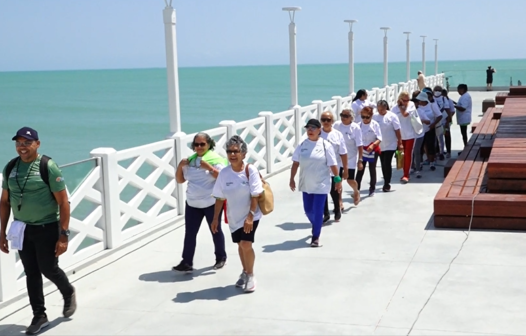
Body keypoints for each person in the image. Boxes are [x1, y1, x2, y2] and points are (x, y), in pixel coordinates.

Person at [0, 127, 76, 335]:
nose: (22, 147)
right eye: (18, 143)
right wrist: (2, 232)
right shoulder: (10, 168)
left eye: (27, 142)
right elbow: (5, 202)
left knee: (48, 268)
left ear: (37, 144)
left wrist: (63, 235)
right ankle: (39, 315)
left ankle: (68, 291)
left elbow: (63, 202)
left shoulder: (48, 166)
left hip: (47, 227)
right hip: (22, 228)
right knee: (31, 272)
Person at [211, 135, 263, 293]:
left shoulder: (250, 170)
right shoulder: (224, 173)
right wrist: (215, 219)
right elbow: (219, 197)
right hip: (234, 216)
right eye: (229, 152)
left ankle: (252, 276)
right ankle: (245, 272)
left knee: (246, 244)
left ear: (244, 154)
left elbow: (256, 194)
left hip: (251, 215)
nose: (232, 155)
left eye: (236, 151)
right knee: (240, 245)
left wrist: (250, 216)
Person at [173, 132, 227, 273]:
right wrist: (180, 166)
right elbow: (180, 180)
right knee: (190, 233)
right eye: (196, 144)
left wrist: (209, 168)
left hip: (211, 203)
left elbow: (223, 179)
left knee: (215, 230)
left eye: (202, 144)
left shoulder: (216, 160)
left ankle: (221, 258)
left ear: (209, 145)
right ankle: (187, 262)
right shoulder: (190, 161)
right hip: (192, 204)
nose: (199, 147)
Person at [290, 119, 341, 247]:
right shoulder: (302, 145)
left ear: (319, 130)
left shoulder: (325, 145)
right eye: (308, 128)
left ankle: (316, 236)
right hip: (306, 183)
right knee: (308, 210)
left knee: (318, 211)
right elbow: (295, 163)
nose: (310, 130)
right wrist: (291, 179)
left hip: (321, 184)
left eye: (313, 128)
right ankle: (316, 224)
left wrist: (337, 180)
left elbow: (333, 164)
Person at [319, 111, 348, 222]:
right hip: (321, 168)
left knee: (334, 190)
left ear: (332, 121)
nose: (326, 122)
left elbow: (343, 153)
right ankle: (325, 213)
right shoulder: (318, 133)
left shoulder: (337, 134)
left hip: (335, 167)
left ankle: (337, 210)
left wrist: (345, 169)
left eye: (328, 120)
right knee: (322, 191)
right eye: (323, 119)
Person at [334, 108, 363, 207]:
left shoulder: (355, 128)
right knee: (338, 180)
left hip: (350, 158)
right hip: (338, 158)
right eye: (341, 115)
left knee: (350, 180)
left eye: (346, 116)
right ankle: (340, 201)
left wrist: (360, 160)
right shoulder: (336, 125)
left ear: (351, 118)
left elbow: (360, 145)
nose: (343, 118)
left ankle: (356, 191)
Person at [373, 100, 403, 191]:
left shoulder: (392, 116)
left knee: (387, 163)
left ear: (386, 108)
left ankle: (387, 183)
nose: (380, 111)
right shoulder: (375, 117)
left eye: (382, 109)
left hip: (391, 143)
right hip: (380, 144)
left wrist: (400, 142)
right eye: (378, 109)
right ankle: (386, 180)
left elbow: (397, 130)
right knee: (383, 163)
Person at [391, 92, 419, 182]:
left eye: (408, 99)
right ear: (400, 99)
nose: (406, 101)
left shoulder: (411, 104)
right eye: (404, 100)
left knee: (408, 154)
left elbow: (405, 114)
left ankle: (406, 174)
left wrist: (401, 107)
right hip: (399, 135)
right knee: (400, 155)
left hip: (410, 134)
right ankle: (403, 170)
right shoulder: (394, 108)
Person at [355, 106, 382, 196]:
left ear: (371, 116)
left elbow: (379, 138)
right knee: (360, 169)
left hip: (372, 150)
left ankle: (372, 188)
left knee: (372, 169)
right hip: (362, 150)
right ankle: (356, 189)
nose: (365, 119)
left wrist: (373, 145)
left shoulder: (375, 124)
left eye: (367, 117)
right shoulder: (358, 125)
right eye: (363, 117)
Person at [417, 92, 442, 171]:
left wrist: (433, 124)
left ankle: (432, 162)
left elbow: (439, 115)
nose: (419, 101)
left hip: (430, 129)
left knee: (431, 145)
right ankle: (420, 163)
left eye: (420, 100)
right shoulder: (417, 107)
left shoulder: (432, 105)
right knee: (420, 147)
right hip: (420, 131)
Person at [432, 86, 451, 161]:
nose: (437, 91)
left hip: (443, 121)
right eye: (436, 90)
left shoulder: (444, 98)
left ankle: (442, 153)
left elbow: (448, 110)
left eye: (439, 90)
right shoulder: (431, 98)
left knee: (443, 138)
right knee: (435, 138)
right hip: (435, 121)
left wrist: (448, 121)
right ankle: (436, 153)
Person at [454, 84, 473, 150]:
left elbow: (463, 108)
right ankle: (465, 147)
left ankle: (466, 148)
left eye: (458, 90)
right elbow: (460, 104)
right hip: (463, 118)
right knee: (463, 133)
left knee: (464, 134)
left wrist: (454, 106)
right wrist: (454, 103)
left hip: (464, 118)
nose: (458, 91)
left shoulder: (465, 97)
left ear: (462, 89)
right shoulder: (464, 96)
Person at [441, 89, 456, 158]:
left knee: (447, 136)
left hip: (446, 122)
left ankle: (448, 151)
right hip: (440, 123)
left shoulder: (449, 101)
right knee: (440, 138)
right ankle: (441, 151)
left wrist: (448, 119)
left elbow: (452, 111)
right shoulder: (439, 101)